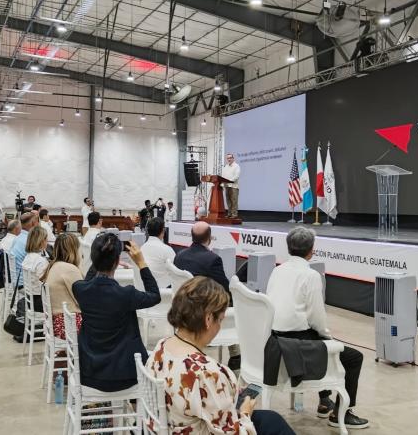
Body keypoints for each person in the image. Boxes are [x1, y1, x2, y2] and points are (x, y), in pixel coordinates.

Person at [148, 277, 295, 435]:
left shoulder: (162, 346)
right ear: (209, 319)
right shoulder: (207, 372)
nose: (219, 327)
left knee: (270, 419)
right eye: (220, 320)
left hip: (169, 424)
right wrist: (245, 413)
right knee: (272, 422)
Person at [266, 227, 368, 429]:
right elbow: (317, 319)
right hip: (296, 341)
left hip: (275, 338)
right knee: (352, 356)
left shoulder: (277, 270)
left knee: (317, 338)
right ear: (311, 250)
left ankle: (324, 401)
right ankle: (342, 413)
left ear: (288, 247)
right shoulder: (310, 275)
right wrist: (329, 338)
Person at [73, 233, 160, 391]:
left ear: (93, 259)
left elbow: (89, 279)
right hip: (124, 376)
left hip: (88, 373)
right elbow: (155, 296)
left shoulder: (79, 289)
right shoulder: (126, 295)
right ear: (117, 262)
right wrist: (141, 263)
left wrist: (101, 255)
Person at [41, 233, 83, 338]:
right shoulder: (69, 269)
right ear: (74, 250)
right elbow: (83, 301)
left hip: (56, 324)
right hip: (69, 324)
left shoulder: (53, 265)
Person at [173, 221, 230, 294]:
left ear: (192, 236)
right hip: (202, 303)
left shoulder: (179, 255)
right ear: (209, 237)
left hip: (181, 300)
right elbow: (224, 288)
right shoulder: (213, 259)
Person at [22, 227, 50, 312]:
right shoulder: (40, 261)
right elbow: (46, 284)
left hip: (30, 299)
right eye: (46, 239)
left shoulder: (28, 257)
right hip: (40, 302)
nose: (47, 241)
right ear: (41, 241)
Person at [141, 217, 175, 288]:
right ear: (163, 230)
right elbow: (175, 272)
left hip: (144, 288)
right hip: (164, 290)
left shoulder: (141, 249)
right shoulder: (167, 249)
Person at [222, 152, 241, 218]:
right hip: (227, 186)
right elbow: (223, 176)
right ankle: (229, 213)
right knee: (228, 201)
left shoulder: (236, 166)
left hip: (234, 186)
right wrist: (222, 184)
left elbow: (236, 176)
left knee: (234, 201)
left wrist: (229, 181)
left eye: (230, 158)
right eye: (228, 158)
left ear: (233, 158)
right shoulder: (226, 166)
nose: (229, 159)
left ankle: (234, 214)